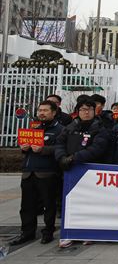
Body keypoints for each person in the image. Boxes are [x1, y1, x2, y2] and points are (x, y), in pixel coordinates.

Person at [54, 98, 111, 248]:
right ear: (78, 112)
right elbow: (59, 143)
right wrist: (61, 158)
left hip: (90, 172)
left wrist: (74, 158)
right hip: (70, 171)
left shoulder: (100, 128)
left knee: (91, 203)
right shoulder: (70, 127)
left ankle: (89, 232)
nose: (86, 112)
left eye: (89, 109)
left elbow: (97, 148)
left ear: (94, 111)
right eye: (83, 110)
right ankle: (68, 234)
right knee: (71, 203)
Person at [11, 100, 63, 246]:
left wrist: (43, 149)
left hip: (47, 173)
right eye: (40, 110)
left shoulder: (61, 130)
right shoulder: (34, 128)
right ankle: (27, 232)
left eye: (46, 110)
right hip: (29, 173)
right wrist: (24, 147)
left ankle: (48, 232)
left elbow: (60, 149)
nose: (42, 113)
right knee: (27, 206)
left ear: (54, 112)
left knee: (49, 205)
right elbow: (25, 149)